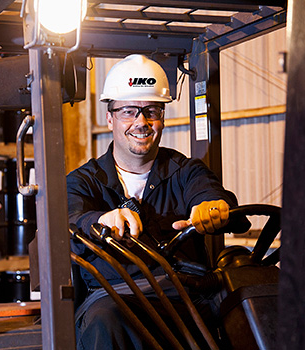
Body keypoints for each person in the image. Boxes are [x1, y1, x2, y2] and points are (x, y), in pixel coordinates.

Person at [67, 54, 236, 349]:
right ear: (110, 118)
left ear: (162, 116)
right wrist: (100, 220)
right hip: (114, 295)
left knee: (247, 304)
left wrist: (212, 206)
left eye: (151, 111)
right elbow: (69, 219)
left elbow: (209, 193)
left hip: (183, 293)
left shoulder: (186, 171)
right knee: (105, 319)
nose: (141, 122)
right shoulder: (83, 181)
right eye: (129, 112)